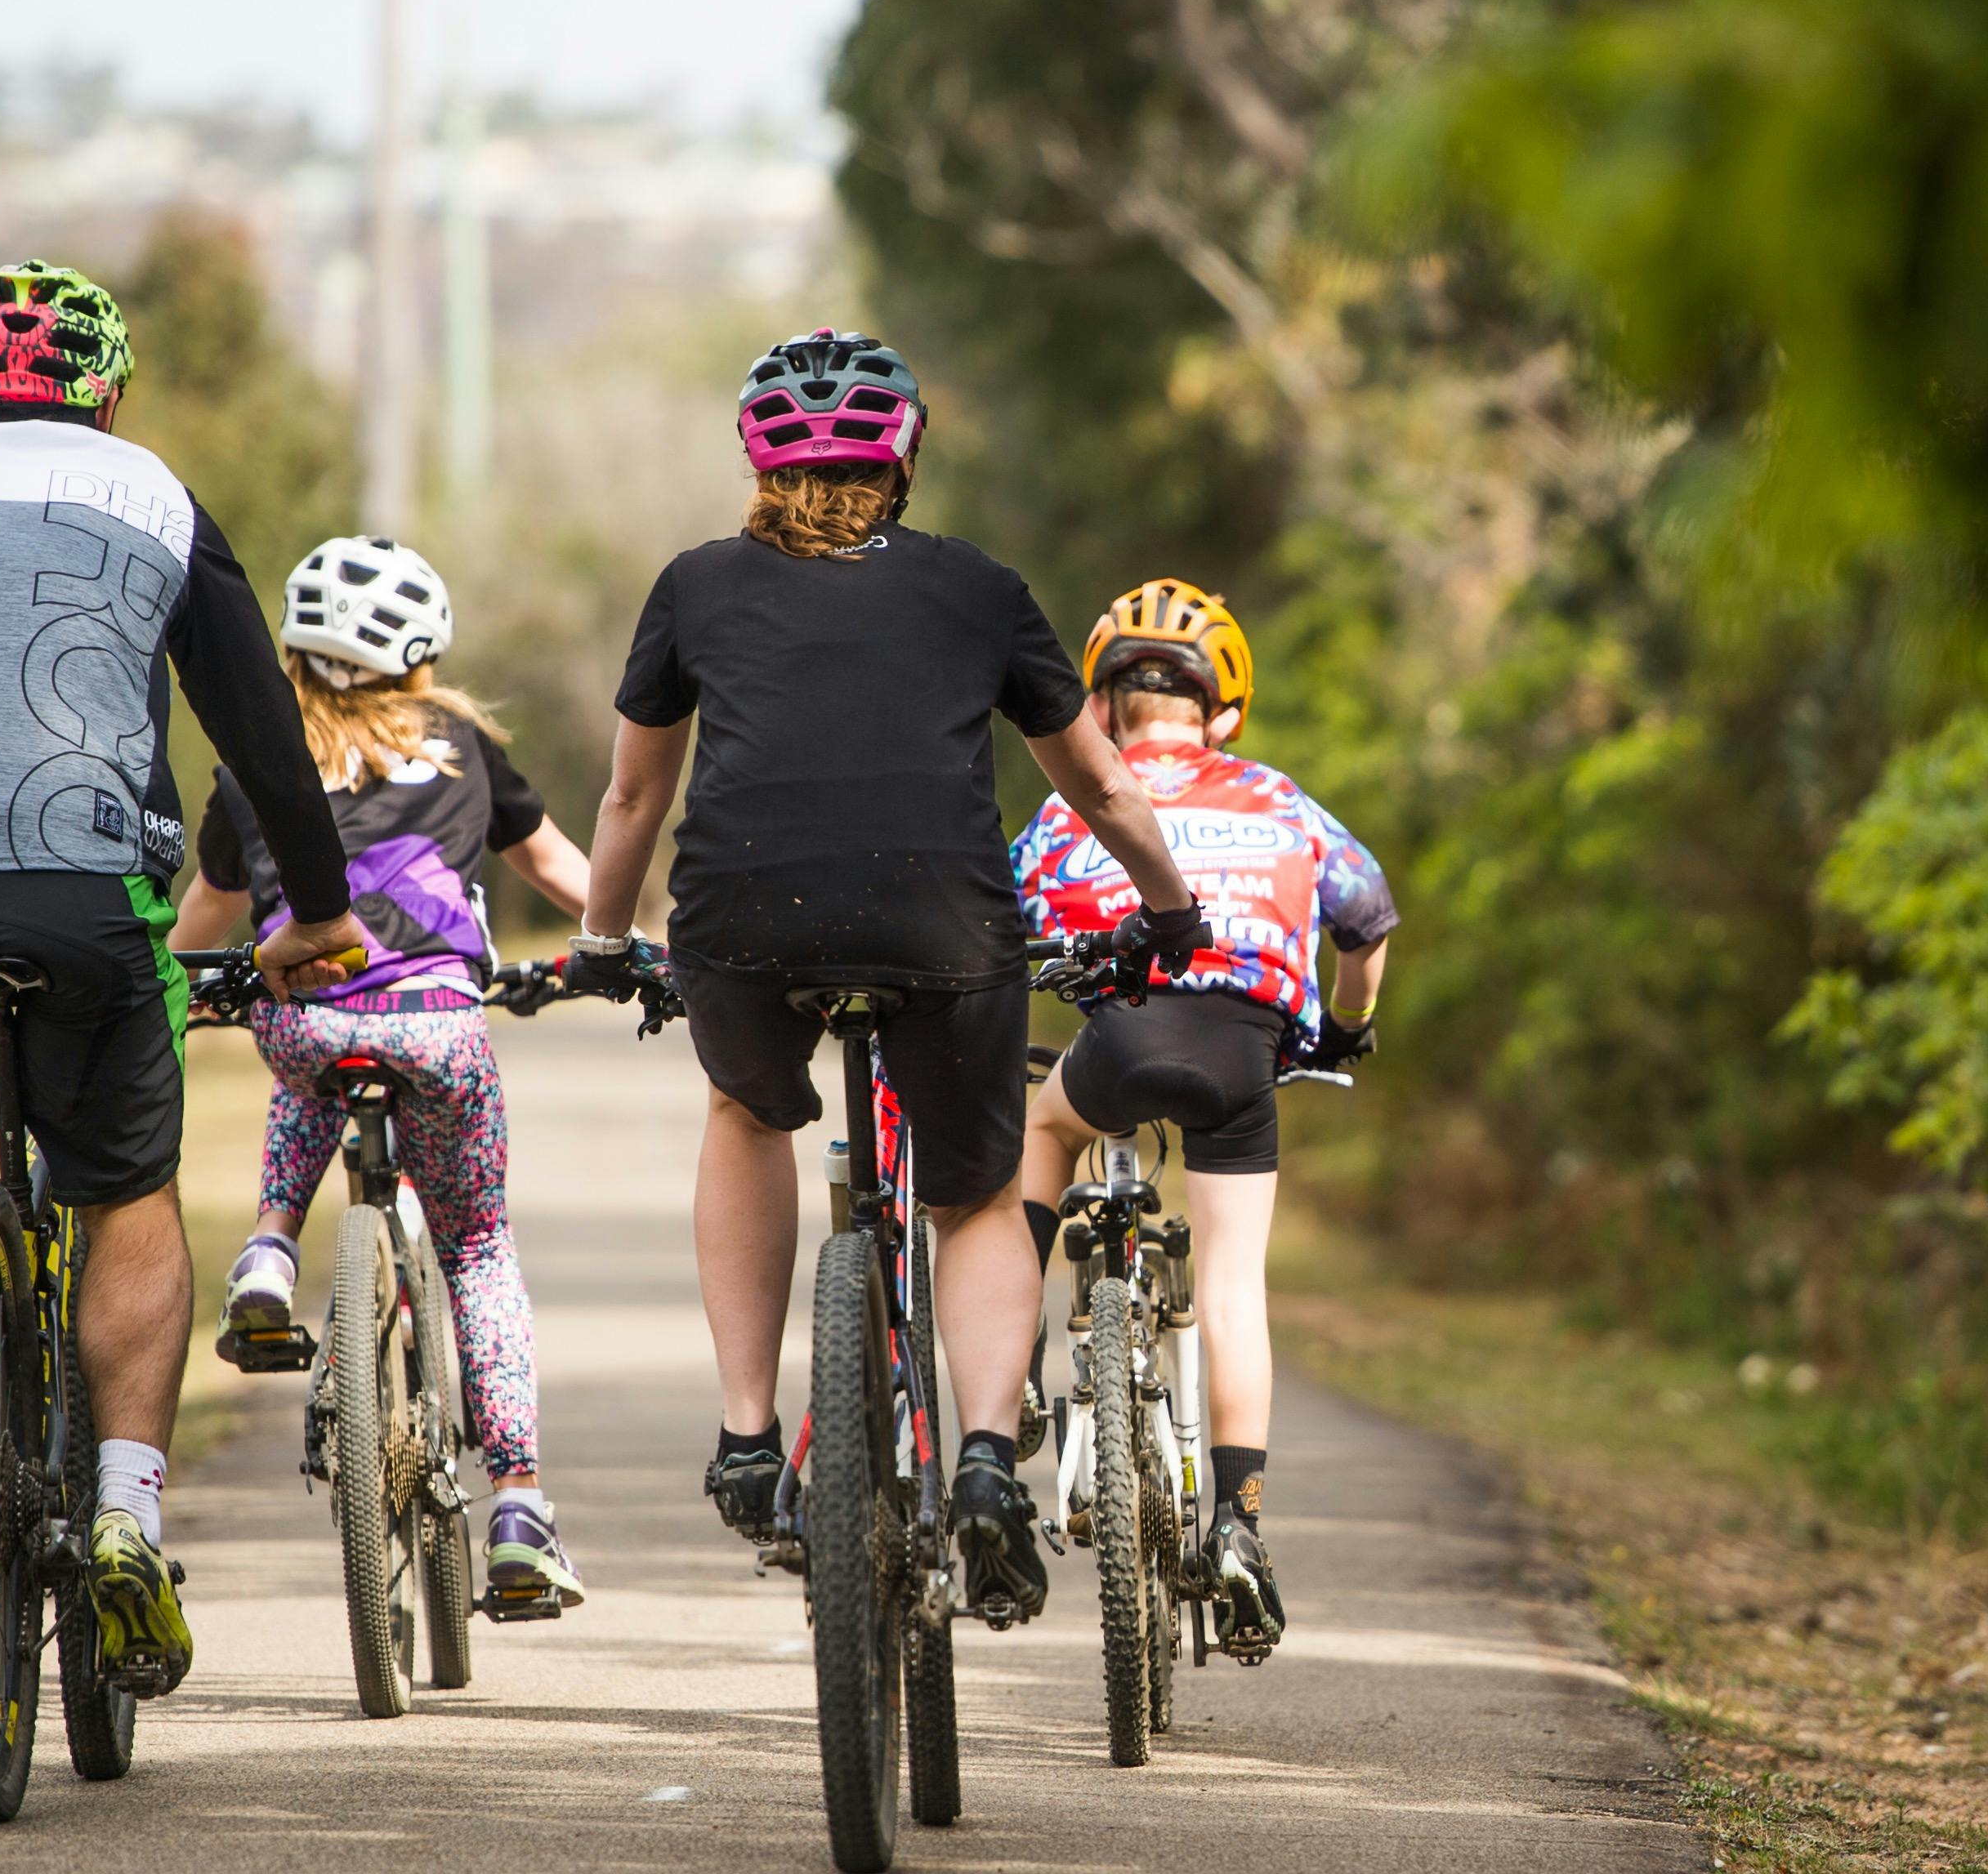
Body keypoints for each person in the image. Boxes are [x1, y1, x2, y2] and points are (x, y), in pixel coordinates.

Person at [0, 262, 372, 1696]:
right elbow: (256, 723)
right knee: (128, 1193)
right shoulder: (154, 492)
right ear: (107, 386)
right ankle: (126, 1519)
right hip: (92, 892)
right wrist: (319, 910)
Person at [570, 328, 1205, 1626]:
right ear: (905, 453)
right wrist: (1169, 905)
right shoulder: (979, 587)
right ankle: (983, 1462)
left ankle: (749, 1434)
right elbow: (1096, 780)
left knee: (747, 1111)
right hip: (944, 925)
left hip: (744, 920)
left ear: (753, 457)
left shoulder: (694, 586)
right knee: (976, 1196)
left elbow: (636, 790)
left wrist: (597, 937)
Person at [168, 535, 600, 1616]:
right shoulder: (458, 741)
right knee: (480, 1248)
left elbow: (206, 918)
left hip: (313, 1020)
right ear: (418, 654)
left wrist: (173, 987)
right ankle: (520, 1510)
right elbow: (554, 867)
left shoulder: (253, 756)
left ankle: (269, 1250)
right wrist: (623, 945)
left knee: (304, 1050)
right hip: (442, 1028)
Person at [1008, 579, 1396, 1652]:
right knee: (1231, 1282)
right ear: (1223, 709)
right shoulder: (1278, 796)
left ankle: (1017, 1352)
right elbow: (1364, 920)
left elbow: (1006, 926)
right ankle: (1239, 1523)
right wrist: (1347, 1029)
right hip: (1242, 1055)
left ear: (1099, 706)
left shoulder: (1070, 802)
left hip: (1119, 1042)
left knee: (1045, 1131)